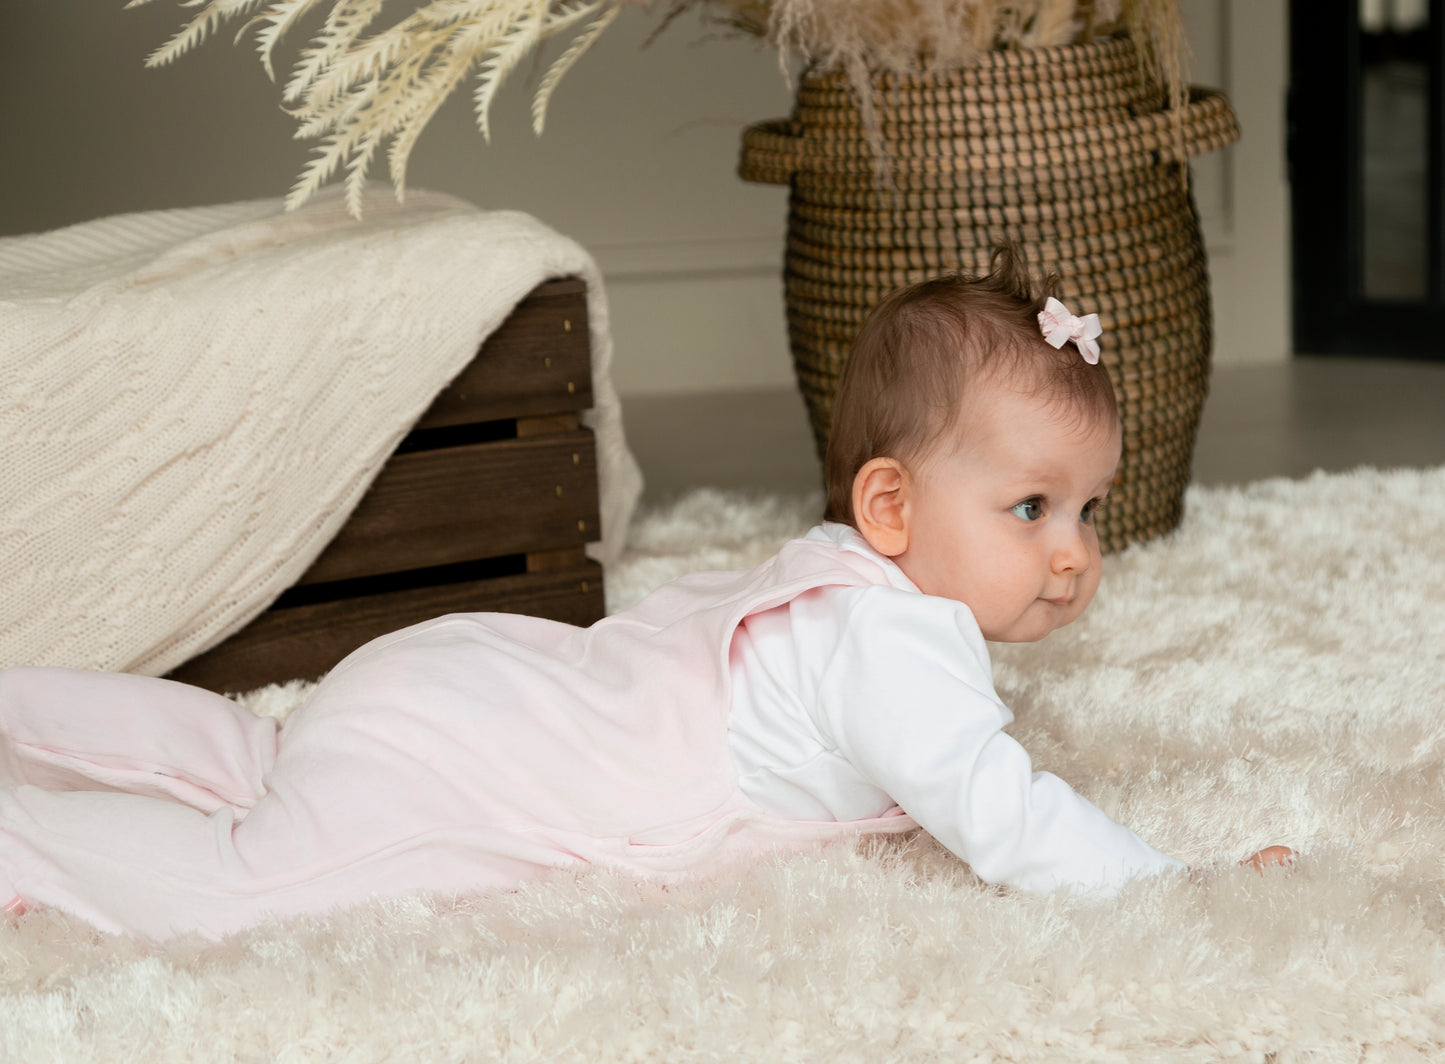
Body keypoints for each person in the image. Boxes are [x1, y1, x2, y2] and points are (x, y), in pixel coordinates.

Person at [0, 247, 1289, 940]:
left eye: (1087, 511)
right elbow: (1006, 816)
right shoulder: (894, 651)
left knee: (254, 749)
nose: (1072, 552)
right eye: (1031, 509)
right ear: (890, 506)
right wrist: (1179, 884)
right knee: (242, 884)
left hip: (456, 681)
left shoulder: (836, 579)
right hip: (473, 772)